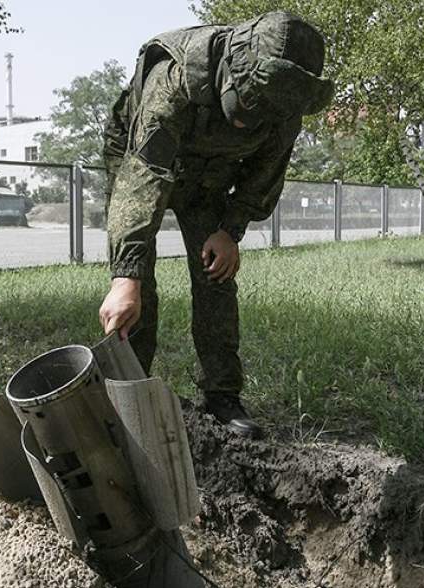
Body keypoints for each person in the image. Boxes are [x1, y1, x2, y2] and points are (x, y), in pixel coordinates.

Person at [98, 11, 333, 439]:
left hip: (209, 175)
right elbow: (143, 176)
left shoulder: (286, 103)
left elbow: (265, 172)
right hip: (142, 159)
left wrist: (230, 231)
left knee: (216, 276)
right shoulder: (175, 78)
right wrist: (125, 274)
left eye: (263, 115)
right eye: (245, 104)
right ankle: (129, 393)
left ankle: (222, 395)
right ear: (233, 72)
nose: (247, 121)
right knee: (138, 290)